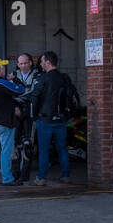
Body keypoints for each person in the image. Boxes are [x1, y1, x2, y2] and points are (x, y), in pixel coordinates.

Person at [19, 50, 79, 186]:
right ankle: (65, 175)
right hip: (61, 119)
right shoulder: (64, 78)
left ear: (47, 62)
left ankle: (41, 177)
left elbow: (35, 96)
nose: (40, 64)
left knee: (43, 149)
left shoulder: (44, 78)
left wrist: (32, 114)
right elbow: (72, 96)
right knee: (62, 148)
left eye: (42, 61)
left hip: (45, 119)